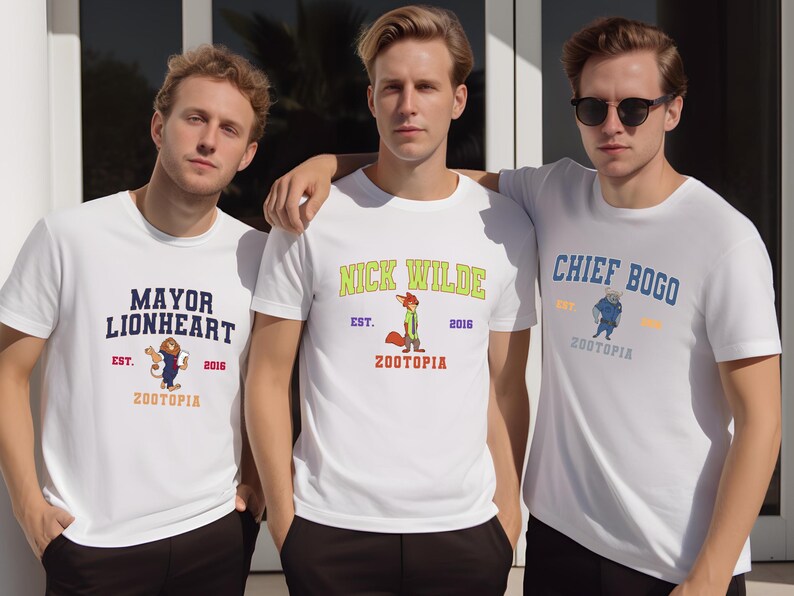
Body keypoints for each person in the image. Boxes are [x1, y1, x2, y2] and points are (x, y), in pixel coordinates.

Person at [263, 16, 782, 596]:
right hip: (562, 542)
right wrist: (330, 164)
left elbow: (762, 421)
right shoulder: (555, 194)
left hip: (675, 561)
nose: (613, 126)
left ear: (672, 110)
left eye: (634, 108)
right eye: (593, 109)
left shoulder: (723, 239)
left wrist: (710, 575)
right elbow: (425, 173)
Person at [245, 5, 537, 595]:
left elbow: (506, 386)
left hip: (464, 530)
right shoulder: (312, 218)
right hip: (330, 529)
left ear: (457, 100)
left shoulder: (505, 226)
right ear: (371, 97)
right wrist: (285, 519)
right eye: (393, 87)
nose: (408, 105)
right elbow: (268, 376)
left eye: (426, 87)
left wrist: (508, 518)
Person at [0, 44, 270, 595]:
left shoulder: (260, 257)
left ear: (246, 154)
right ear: (158, 125)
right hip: (93, 543)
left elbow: (276, 379)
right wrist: (29, 506)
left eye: (229, 129)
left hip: (213, 533)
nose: (208, 140)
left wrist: (257, 485)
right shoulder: (68, 237)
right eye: (195, 118)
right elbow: (7, 372)